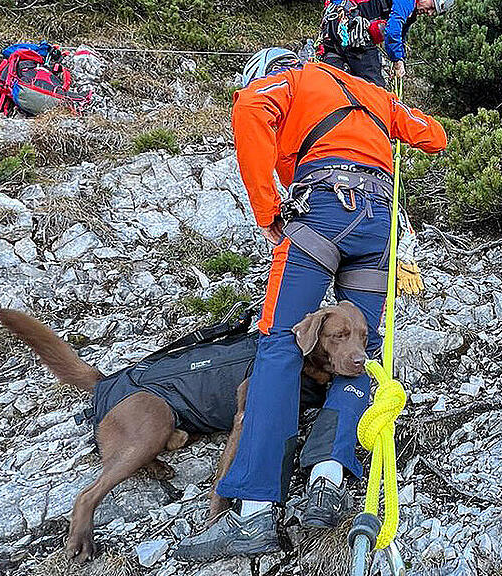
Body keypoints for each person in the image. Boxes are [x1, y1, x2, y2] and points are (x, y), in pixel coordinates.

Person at [175, 48, 446, 560]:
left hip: (324, 206)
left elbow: (250, 108)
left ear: (271, 69)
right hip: (377, 221)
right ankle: (327, 477)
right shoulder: (374, 95)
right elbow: (434, 136)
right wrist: (395, 111)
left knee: (280, 344)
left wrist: (268, 210)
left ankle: (254, 511)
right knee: (360, 351)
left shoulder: (291, 81)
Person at [318, 0, 455, 87]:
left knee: (331, 83)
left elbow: (400, 35)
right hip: (351, 30)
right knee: (374, 90)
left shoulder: (411, 12)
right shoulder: (408, 2)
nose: (430, 13)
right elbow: (393, 31)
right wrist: (396, 60)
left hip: (332, 28)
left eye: (434, 12)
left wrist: (401, 58)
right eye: (432, 7)